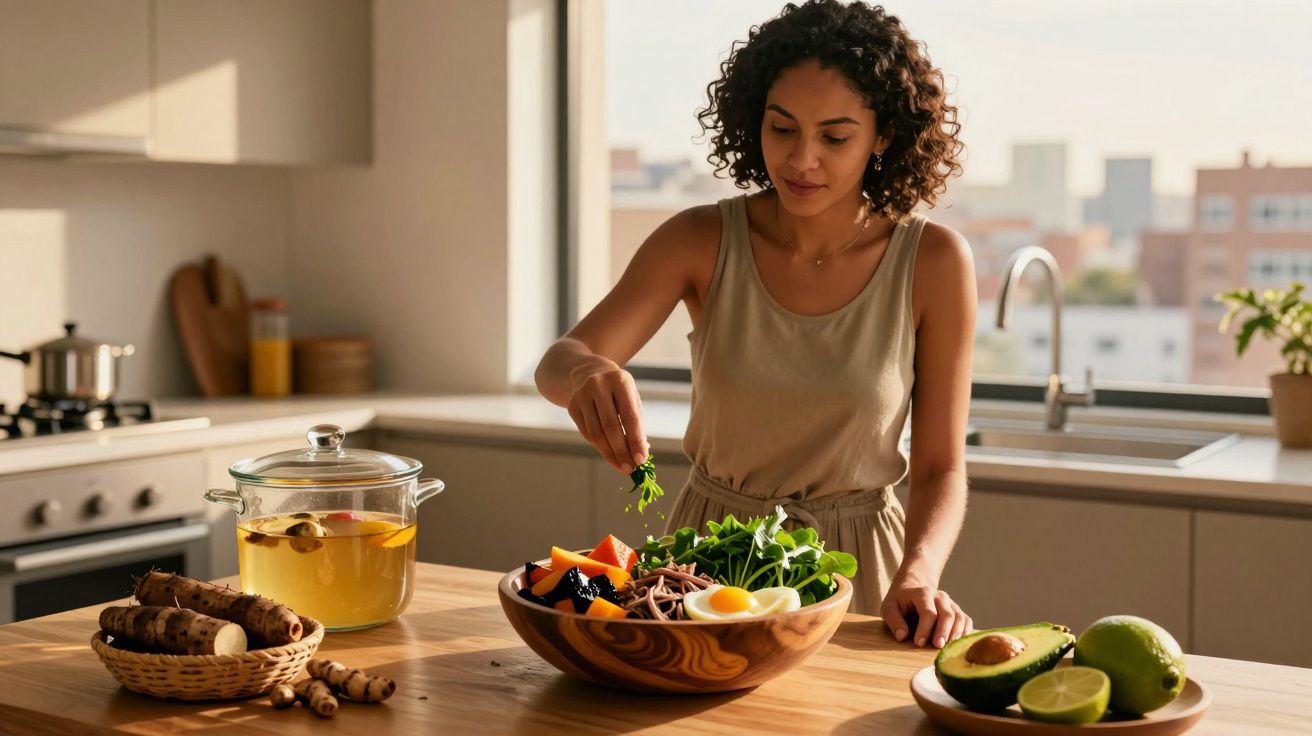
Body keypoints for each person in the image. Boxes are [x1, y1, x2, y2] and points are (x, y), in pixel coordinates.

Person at [535, 0, 976, 650]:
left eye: (834, 136)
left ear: (882, 136)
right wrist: (588, 372)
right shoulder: (700, 239)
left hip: (862, 580)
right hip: (706, 566)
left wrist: (919, 573)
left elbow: (940, 467)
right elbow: (558, 361)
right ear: (754, 122)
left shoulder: (934, 261)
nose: (801, 160)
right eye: (781, 128)